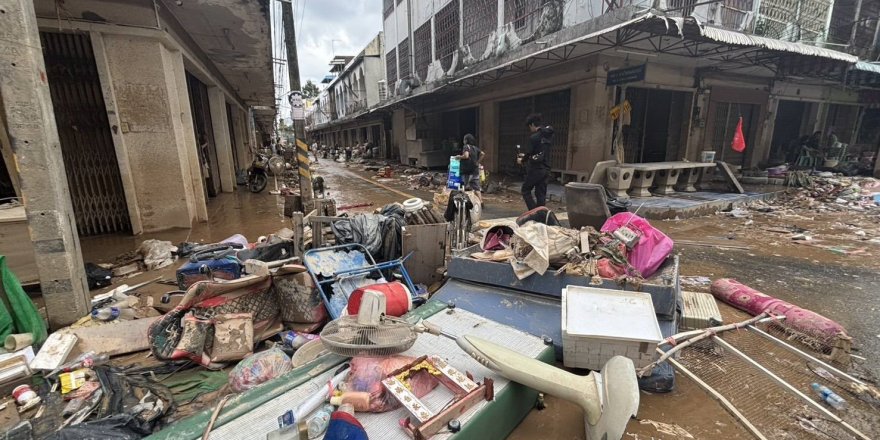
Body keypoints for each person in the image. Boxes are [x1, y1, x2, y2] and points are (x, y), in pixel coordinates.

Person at [520, 113, 553, 210]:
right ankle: (541, 215)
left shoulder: (534, 137)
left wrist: (522, 159)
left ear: (532, 124)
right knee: (540, 193)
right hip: (546, 168)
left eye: (530, 126)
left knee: (525, 190)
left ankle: (534, 212)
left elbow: (529, 153)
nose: (530, 129)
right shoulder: (549, 135)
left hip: (536, 169)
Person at [457, 134, 484, 202]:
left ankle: (464, 203)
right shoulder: (475, 147)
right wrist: (477, 162)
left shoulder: (466, 146)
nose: (463, 141)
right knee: (477, 188)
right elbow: (483, 154)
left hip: (467, 171)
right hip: (475, 170)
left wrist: (459, 157)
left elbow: (466, 156)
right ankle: (481, 202)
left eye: (464, 139)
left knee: (464, 187)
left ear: (466, 140)